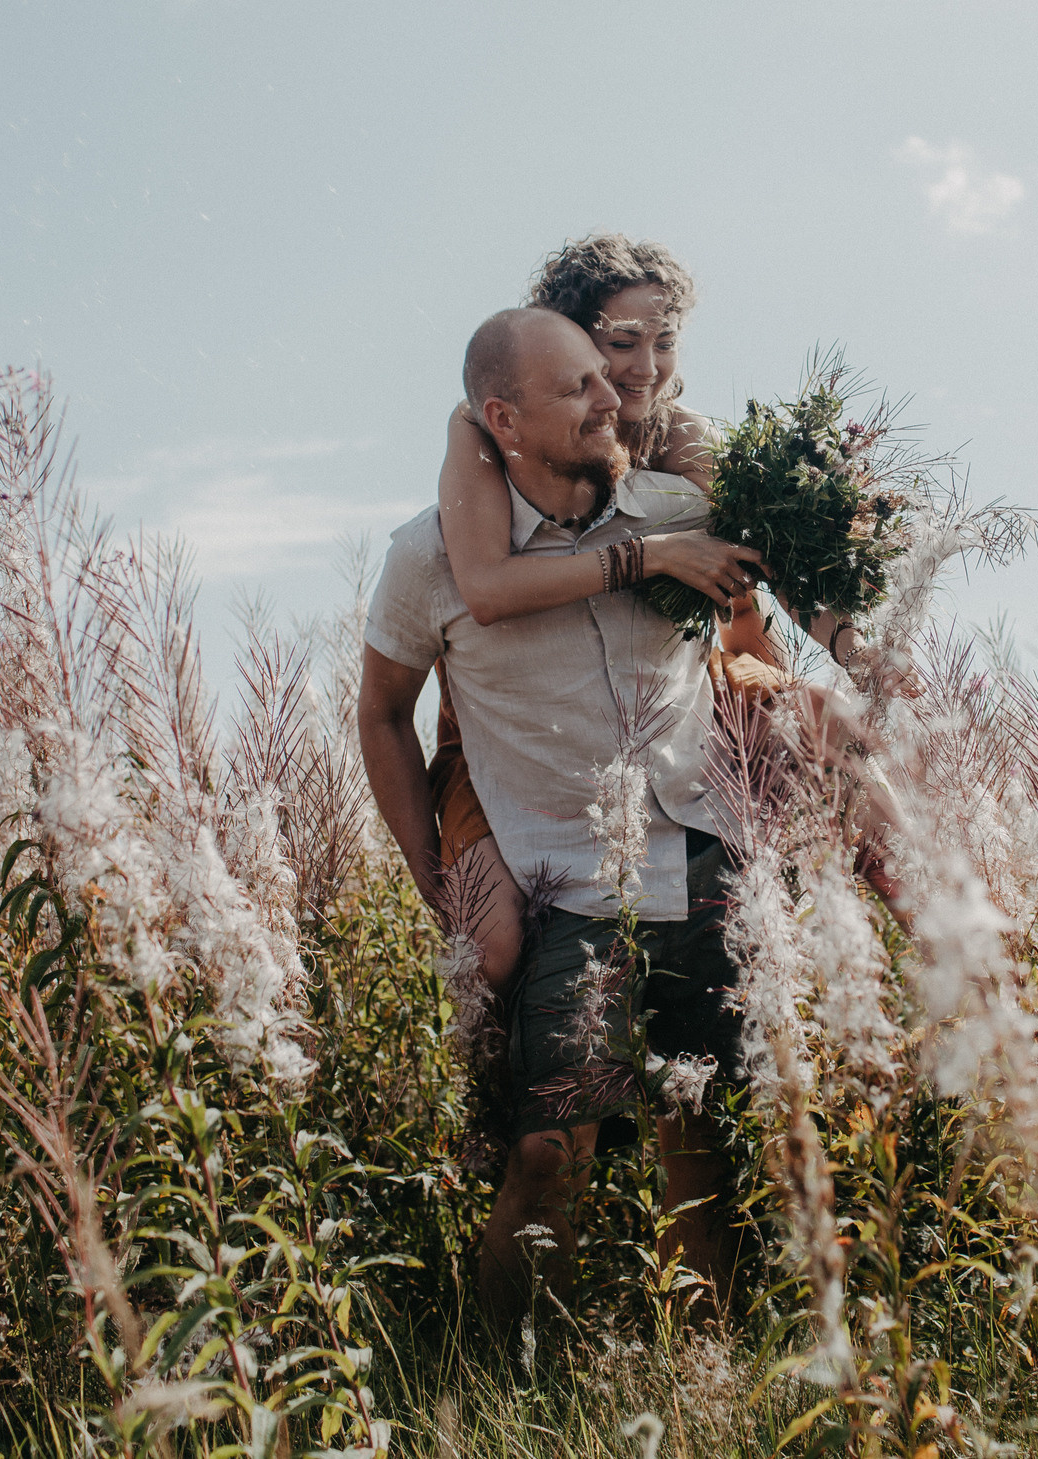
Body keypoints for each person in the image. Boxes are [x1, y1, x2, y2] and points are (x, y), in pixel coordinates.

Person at [357, 306, 750, 1339]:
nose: (612, 397)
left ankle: (706, 1391)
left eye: (605, 376)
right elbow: (382, 713)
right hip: (554, 883)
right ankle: (501, 1393)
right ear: (503, 419)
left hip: (695, 853)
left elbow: (767, 614)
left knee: (697, 1139)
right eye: (576, 387)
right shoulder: (430, 557)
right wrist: (431, 877)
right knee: (547, 1152)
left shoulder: (676, 515)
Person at [424, 235, 892, 998]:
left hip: (669, 694)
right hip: (519, 722)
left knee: (825, 732)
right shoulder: (486, 429)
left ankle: (968, 966)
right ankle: (511, 1082)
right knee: (499, 947)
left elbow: (775, 560)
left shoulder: (684, 437)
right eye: (621, 343)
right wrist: (655, 556)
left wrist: (858, 649)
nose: (645, 368)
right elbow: (483, 582)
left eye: (665, 341)